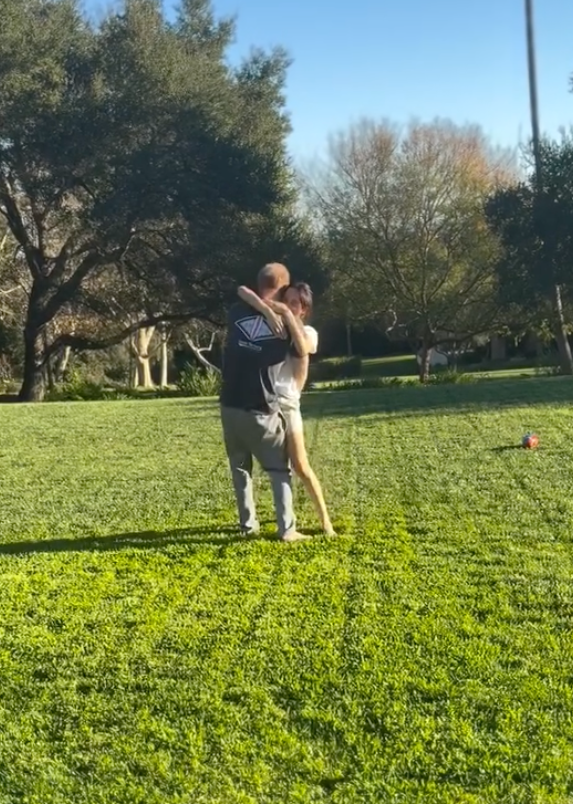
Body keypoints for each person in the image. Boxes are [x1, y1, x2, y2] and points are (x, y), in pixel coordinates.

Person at [220, 263, 310, 543]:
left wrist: (266, 306)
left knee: (240, 468)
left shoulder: (236, 313)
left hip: (228, 405)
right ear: (283, 289)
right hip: (259, 408)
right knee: (278, 470)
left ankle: (248, 526)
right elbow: (303, 349)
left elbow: (242, 293)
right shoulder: (283, 326)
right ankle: (287, 529)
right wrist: (280, 312)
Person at [237, 281, 335, 536]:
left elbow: (302, 346)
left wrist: (283, 312)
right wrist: (268, 308)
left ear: (304, 310)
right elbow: (242, 291)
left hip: (288, 407)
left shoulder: (309, 333)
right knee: (275, 468)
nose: (287, 307)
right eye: (286, 299)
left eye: (294, 304)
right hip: (264, 404)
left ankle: (325, 522)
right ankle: (272, 522)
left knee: (301, 466)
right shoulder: (273, 326)